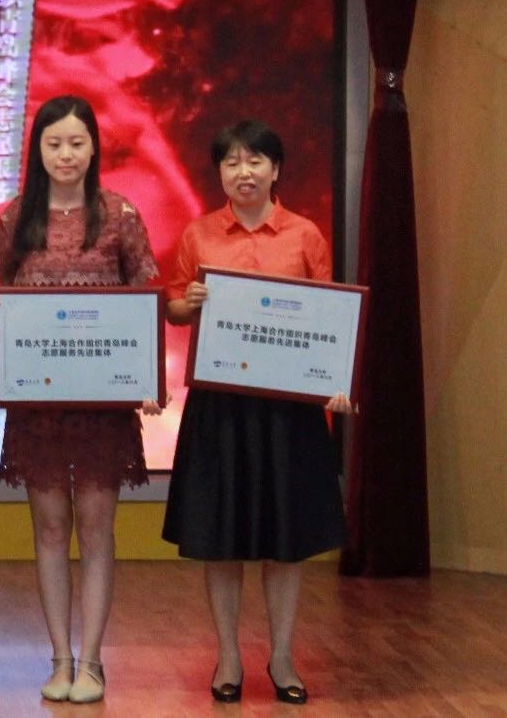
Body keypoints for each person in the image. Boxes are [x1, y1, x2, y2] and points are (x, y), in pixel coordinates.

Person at [162, 120, 351, 706]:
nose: (243, 172)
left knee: (284, 540)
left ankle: (284, 656)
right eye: (231, 162)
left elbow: (330, 318)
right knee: (221, 539)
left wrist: (336, 384)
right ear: (219, 173)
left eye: (255, 161)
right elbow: (172, 306)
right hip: (220, 407)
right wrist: (188, 303)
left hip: (288, 411)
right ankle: (227, 656)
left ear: (276, 170)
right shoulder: (198, 233)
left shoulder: (305, 234)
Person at [0, 95, 161, 703]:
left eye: (77, 143)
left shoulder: (119, 214)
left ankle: (93, 661)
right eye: (54, 143)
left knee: (97, 527)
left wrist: (147, 379)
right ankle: (59, 658)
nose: (65, 154)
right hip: (40, 404)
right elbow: (2, 289)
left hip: (102, 406)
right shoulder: (16, 217)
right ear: (36, 149)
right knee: (52, 527)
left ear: (94, 148)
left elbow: (147, 295)